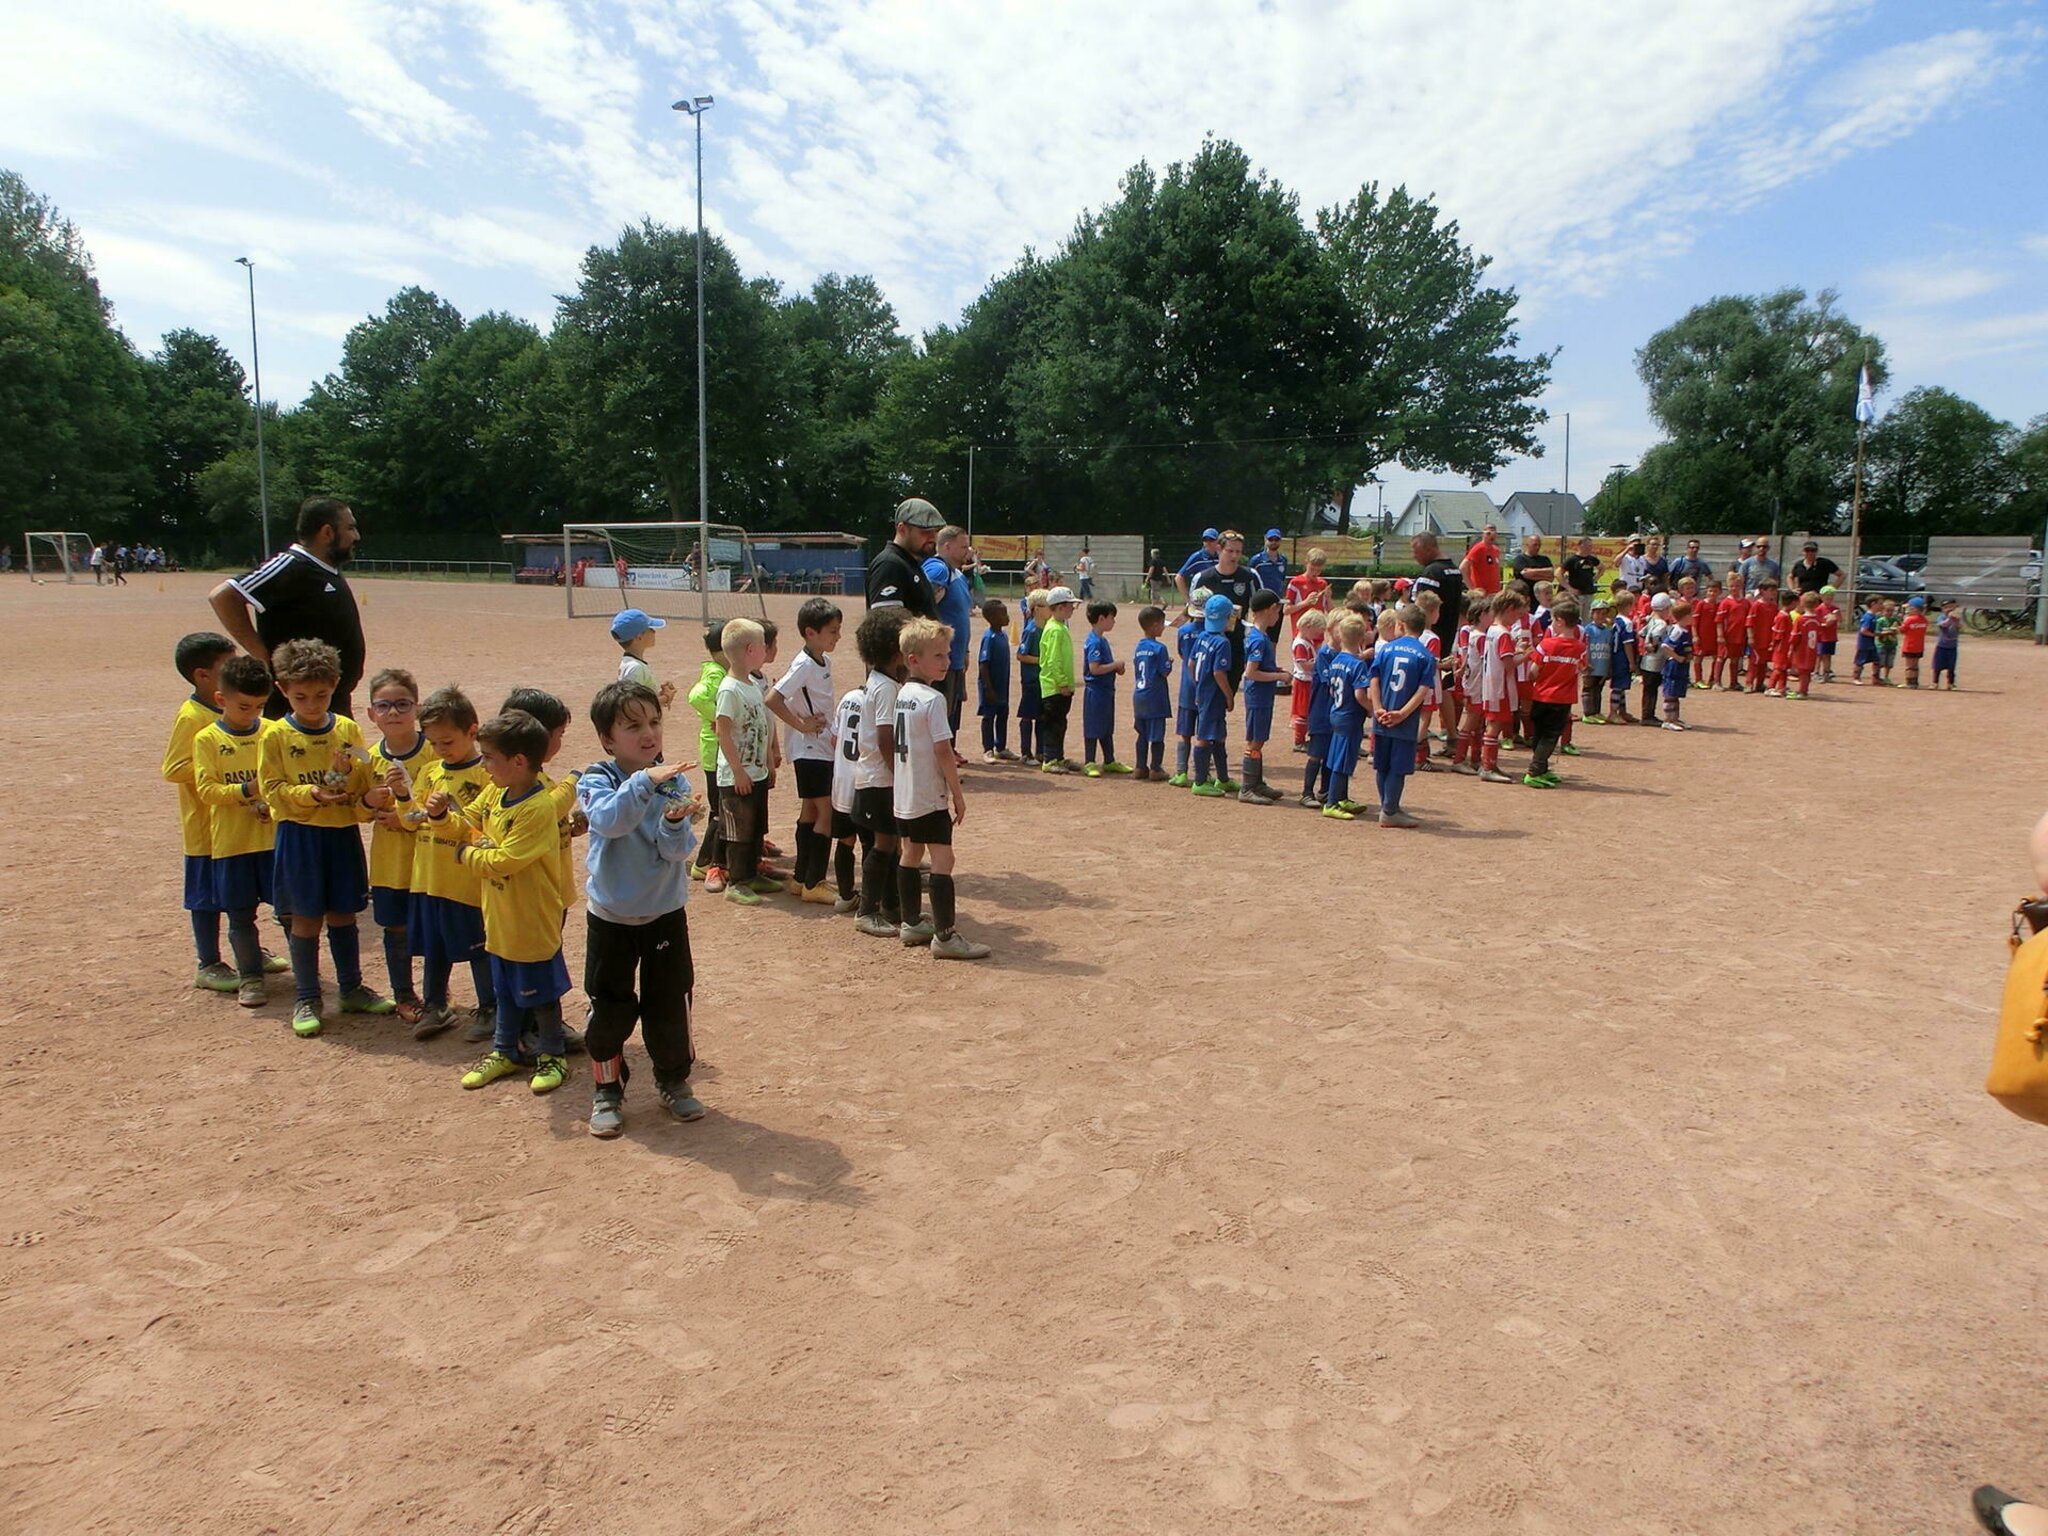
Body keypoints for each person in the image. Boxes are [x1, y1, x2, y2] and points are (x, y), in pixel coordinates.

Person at [577, 680, 707, 1137]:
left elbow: (676, 853)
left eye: (654, 722)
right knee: (609, 1006)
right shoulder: (597, 779)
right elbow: (610, 821)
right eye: (633, 726)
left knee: (670, 1002)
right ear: (608, 739)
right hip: (611, 917)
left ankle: (673, 1080)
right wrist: (643, 781)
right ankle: (607, 1090)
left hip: (664, 913)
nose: (648, 733)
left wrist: (675, 822)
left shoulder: (675, 779)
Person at [261, 638, 386, 1038]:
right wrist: (310, 794)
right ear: (282, 690)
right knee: (306, 918)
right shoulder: (275, 736)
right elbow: (272, 789)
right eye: (300, 696)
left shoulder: (347, 729)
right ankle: (307, 996)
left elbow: (365, 777)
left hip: (341, 835)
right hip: (300, 837)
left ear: (335, 686)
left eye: (321, 695)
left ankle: (350, 988)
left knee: (344, 914)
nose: (312, 705)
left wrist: (367, 796)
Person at [448, 711, 573, 1095]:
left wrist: (464, 855)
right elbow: (464, 821)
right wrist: (440, 817)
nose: (483, 766)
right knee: (503, 989)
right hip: (499, 917)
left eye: (488, 758)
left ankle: (553, 1054)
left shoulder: (536, 809)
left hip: (531, 920)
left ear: (518, 762)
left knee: (541, 994)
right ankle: (505, 1050)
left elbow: (505, 860)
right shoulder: (494, 793)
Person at [188, 650, 288, 1007]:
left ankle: (307, 978)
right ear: (221, 699)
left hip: (274, 841)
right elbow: (207, 790)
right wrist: (247, 790)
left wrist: (269, 801)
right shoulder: (207, 740)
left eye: (259, 707)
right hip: (231, 844)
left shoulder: (274, 732)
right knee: (240, 915)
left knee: (290, 912)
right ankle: (250, 978)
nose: (253, 715)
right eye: (244, 707)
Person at [208, 497, 367, 720]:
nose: (356, 536)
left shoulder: (326, 568)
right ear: (327, 532)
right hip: (297, 707)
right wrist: (260, 654)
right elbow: (223, 596)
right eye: (350, 528)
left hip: (331, 699)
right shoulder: (290, 565)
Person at [889, 618, 991, 959]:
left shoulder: (902, 694)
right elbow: (943, 751)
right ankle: (945, 937)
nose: (946, 662)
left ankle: (910, 922)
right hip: (928, 794)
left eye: (948, 655)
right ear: (913, 659)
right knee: (943, 858)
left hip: (904, 793)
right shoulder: (932, 699)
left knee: (911, 853)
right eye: (938, 656)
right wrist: (958, 796)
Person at [412, 686, 497, 1042]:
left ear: (472, 731)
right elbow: (412, 816)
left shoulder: (486, 774)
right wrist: (406, 800)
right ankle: (435, 1005)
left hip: (466, 880)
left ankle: (490, 1007)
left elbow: (489, 824)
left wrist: (451, 813)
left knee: (478, 946)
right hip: (430, 878)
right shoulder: (430, 771)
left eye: (447, 742)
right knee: (435, 947)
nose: (440, 750)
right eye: (433, 743)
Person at [164, 632, 242, 994]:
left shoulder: (230, 708)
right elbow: (173, 767)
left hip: (235, 824)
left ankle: (247, 948)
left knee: (240, 891)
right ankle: (208, 962)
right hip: (205, 828)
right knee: (206, 897)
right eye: (229, 665)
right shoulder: (192, 716)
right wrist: (216, 764)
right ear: (202, 676)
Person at [356, 667, 433, 1033]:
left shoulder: (434, 751)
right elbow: (355, 809)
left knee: (433, 928)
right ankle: (404, 994)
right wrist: (368, 802)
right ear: (371, 714)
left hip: (430, 863)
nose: (393, 713)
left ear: (416, 708)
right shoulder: (369, 758)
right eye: (383, 706)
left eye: (402, 704)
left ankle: (435, 996)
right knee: (396, 930)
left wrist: (407, 816)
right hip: (389, 864)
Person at [766, 598, 840, 902]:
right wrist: (801, 725)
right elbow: (772, 698)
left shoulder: (822, 661)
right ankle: (815, 881)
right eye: (832, 631)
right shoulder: (803, 664)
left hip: (819, 747)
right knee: (827, 811)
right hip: (811, 749)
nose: (837, 636)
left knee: (811, 809)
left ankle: (801, 879)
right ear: (811, 632)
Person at [852, 606, 910, 938]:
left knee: (892, 845)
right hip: (880, 780)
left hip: (875, 777)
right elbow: (886, 737)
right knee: (885, 844)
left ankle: (890, 905)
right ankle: (867, 910)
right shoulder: (886, 688)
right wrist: (900, 775)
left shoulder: (881, 679)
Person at [713, 619, 779, 907]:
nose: (767, 651)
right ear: (751, 650)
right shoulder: (729, 689)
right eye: (764, 646)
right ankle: (737, 881)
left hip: (758, 772)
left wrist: (769, 764)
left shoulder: (752, 684)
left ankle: (752, 874)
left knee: (755, 828)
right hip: (736, 776)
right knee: (739, 832)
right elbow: (723, 732)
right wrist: (738, 771)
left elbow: (762, 726)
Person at [1363, 604, 1437, 825]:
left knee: (1382, 763)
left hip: (1382, 715)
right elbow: (1422, 691)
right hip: (1403, 721)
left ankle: (1388, 805)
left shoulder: (1385, 649)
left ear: (1400, 626)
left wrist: (1377, 708)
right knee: (1398, 766)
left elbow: (1373, 679)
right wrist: (1402, 714)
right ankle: (1389, 810)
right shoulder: (1426, 655)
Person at [686, 624, 729, 891]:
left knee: (722, 808)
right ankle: (704, 862)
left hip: (718, 749)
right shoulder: (715, 673)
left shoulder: (720, 670)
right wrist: (720, 717)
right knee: (719, 810)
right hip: (715, 750)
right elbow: (696, 697)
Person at [1522, 598, 1585, 784]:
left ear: (1560, 621)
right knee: (1550, 737)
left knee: (1540, 734)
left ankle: (1541, 768)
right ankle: (1534, 772)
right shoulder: (1580, 648)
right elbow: (1580, 669)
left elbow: (1532, 673)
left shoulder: (1546, 645)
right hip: (1562, 699)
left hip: (1541, 695)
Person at [922, 525, 974, 738]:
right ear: (947, 546)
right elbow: (924, 606)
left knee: (951, 709)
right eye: (963, 547)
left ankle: (949, 753)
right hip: (940, 657)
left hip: (956, 656)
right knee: (939, 712)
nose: (967, 551)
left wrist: (966, 651)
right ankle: (938, 760)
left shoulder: (957, 575)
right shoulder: (938, 568)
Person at [1317, 610, 1371, 818]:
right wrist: (1371, 709)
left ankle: (1341, 797)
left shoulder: (1337, 659)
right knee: (1343, 760)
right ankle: (1331, 803)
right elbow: (1360, 694)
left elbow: (1331, 688)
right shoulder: (1357, 665)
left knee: (1338, 756)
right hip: (1350, 717)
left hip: (1336, 713)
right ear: (1361, 638)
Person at [1237, 588, 1288, 803]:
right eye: (1277, 610)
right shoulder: (1258, 638)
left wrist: (1275, 670)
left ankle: (1256, 782)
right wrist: (1281, 677)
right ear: (1269, 610)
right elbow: (1251, 672)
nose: (1279, 615)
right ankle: (1247, 787)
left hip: (1263, 696)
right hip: (1258, 696)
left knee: (1259, 739)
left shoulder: (1262, 636)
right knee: (1255, 742)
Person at [1186, 593, 1239, 798]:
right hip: (1214, 695)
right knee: (1205, 736)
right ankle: (1200, 781)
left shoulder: (1202, 636)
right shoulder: (1222, 643)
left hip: (1203, 691)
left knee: (1219, 734)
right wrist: (1229, 695)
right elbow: (1219, 672)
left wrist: (1198, 685)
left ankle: (1223, 778)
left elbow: (1191, 664)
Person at [866, 497, 943, 615]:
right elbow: (885, 626)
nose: (933, 537)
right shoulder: (890, 564)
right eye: (925, 531)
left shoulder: (910, 563)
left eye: (936, 531)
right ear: (902, 529)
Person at [1080, 601, 1131, 776]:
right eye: (1112, 618)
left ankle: (1109, 760)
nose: (1114, 622)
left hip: (1106, 690)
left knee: (1106, 725)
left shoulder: (1102, 640)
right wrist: (1115, 665)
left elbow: (1104, 666)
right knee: (1093, 725)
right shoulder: (1094, 642)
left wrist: (1116, 668)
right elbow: (1094, 669)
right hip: (1096, 691)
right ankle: (1089, 761)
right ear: (1101, 618)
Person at [1037, 586, 1079, 774]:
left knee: (1060, 723)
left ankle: (1058, 757)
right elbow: (1053, 660)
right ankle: (1049, 758)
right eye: (1070, 605)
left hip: (1060, 687)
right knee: (1053, 724)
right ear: (1060, 607)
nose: (1073, 609)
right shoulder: (1055, 630)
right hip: (1054, 687)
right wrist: (1062, 682)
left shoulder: (1059, 627)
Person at [1130, 605, 1172, 781]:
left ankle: (1140, 767)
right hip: (1155, 697)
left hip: (1139, 695)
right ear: (1155, 625)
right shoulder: (1159, 648)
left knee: (1142, 734)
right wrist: (1169, 662)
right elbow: (1164, 671)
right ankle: (1155, 768)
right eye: (1162, 624)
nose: (1163, 627)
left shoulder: (1139, 647)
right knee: (1157, 736)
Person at [1168, 597, 1203, 787]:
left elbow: (1182, 653)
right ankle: (1201, 772)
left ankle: (1181, 772)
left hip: (1187, 687)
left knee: (1184, 732)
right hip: (1205, 687)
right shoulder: (1211, 633)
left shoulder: (1183, 630)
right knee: (1204, 734)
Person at [612, 609, 676, 707]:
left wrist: (659, 695)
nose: (654, 631)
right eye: (650, 629)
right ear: (639, 637)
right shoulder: (635, 668)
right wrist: (666, 697)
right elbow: (632, 706)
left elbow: (640, 699)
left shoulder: (631, 663)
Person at [976, 599, 1013, 762]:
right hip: (990, 685)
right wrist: (988, 688)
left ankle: (1001, 747)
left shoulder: (1003, 635)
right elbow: (983, 664)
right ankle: (988, 749)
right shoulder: (989, 638)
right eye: (1003, 614)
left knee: (1003, 714)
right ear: (992, 617)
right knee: (989, 716)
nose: (1007, 617)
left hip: (1002, 685)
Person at [1289, 607, 1326, 750]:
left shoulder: (1307, 640)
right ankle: (1299, 741)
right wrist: (1318, 663)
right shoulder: (1300, 643)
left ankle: (1304, 738)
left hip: (1307, 680)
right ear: (1308, 627)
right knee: (1302, 712)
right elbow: (1304, 665)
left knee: (1307, 710)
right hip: (1303, 681)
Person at [1016, 592, 1045, 765]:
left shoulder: (1044, 628)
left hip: (1042, 679)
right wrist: (1042, 660)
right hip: (1031, 680)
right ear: (1038, 609)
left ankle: (1040, 751)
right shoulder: (1031, 630)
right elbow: (1021, 655)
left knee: (1041, 716)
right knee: (1027, 716)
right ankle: (1025, 753)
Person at [1285, 548, 1332, 633]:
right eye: (1312, 569)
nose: (1315, 573)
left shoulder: (1323, 583)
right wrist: (1306, 602)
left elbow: (1331, 612)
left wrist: (1328, 598)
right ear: (1306, 563)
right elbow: (1286, 610)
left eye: (1318, 570)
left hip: (1318, 632)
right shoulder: (1295, 582)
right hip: (1300, 633)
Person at [1174, 528, 1222, 600]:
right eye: (1205, 540)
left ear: (1217, 541)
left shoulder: (1221, 556)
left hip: (1217, 598)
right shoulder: (1197, 557)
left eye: (1211, 540)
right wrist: (1187, 601)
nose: (1208, 542)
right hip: (1200, 599)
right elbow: (1179, 577)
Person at [1459, 525, 1504, 597]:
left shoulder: (1496, 550)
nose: (1491, 536)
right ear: (1483, 534)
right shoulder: (1479, 548)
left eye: (1494, 534)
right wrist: (1472, 589)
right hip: (1481, 594)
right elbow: (1463, 567)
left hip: (1494, 593)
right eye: (1488, 534)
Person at [1898, 595, 1930, 688]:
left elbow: (1902, 630)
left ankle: (1909, 682)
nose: (1908, 610)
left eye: (1910, 608)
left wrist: (1901, 621)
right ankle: (1915, 682)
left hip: (1909, 646)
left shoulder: (1909, 619)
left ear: (1915, 609)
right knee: (1915, 664)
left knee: (1909, 665)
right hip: (1919, 646)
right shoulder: (1924, 619)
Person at [1249, 529, 1290, 597]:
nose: (1273, 542)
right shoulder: (1256, 560)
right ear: (1266, 539)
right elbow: (1250, 581)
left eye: (1276, 539)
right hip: (1261, 598)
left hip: (1277, 598)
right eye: (1270, 539)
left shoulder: (1283, 560)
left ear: (1280, 541)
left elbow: (1282, 579)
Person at [1816, 585, 1843, 682]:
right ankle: (1816, 672)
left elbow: (1840, 620)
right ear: (1822, 597)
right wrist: (1825, 624)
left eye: (1831, 596)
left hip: (1831, 636)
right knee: (1820, 655)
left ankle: (1826, 673)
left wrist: (1837, 616)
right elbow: (1817, 623)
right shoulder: (1819, 609)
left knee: (1828, 655)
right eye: (1827, 597)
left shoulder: (1835, 608)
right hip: (1822, 636)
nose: (1829, 599)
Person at [1933, 599, 1962, 689]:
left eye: (1951, 607)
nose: (1949, 609)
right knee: (1937, 666)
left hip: (1952, 647)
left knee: (1951, 666)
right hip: (1942, 646)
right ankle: (1935, 682)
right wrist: (1950, 618)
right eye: (1946, 608)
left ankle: (1951, 683)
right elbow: (1943, 625)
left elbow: (1960, 626)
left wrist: (1956, 620)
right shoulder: (1941, 617)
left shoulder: (1957, 619)